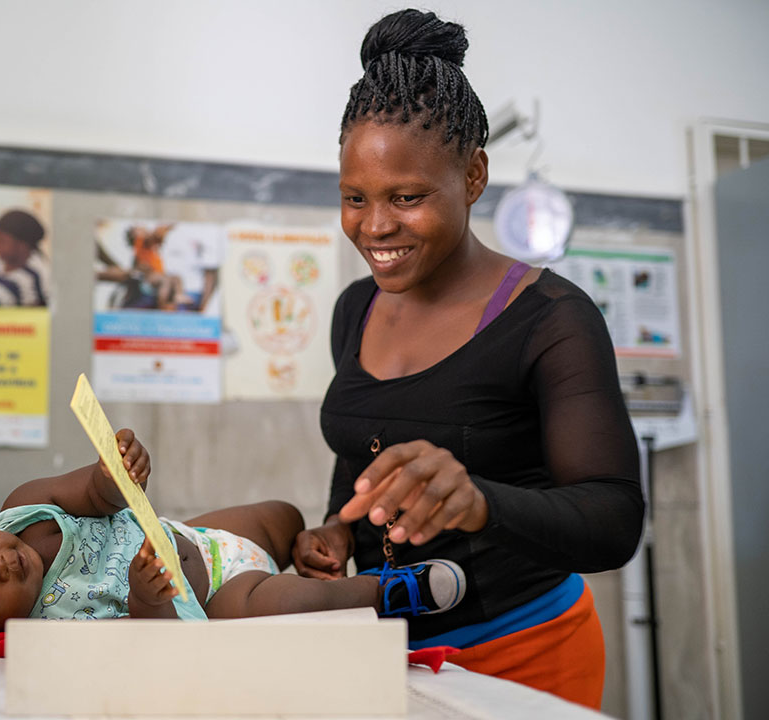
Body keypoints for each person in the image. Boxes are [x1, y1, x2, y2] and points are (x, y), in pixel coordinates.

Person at [289, 8, 643, 710]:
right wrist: (337, 526)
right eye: (354, 198)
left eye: (407, 197)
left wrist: (481, 502)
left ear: (474, 175)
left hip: (526, 648)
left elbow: (614, 518)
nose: (376, 225)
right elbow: (364, 448)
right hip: (390, 648)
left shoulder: (552, 320)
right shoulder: (355, 308)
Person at [0, 429, 466, 649]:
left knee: (280, 515)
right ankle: (386, 593)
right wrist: (148, 598)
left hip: (203, 534)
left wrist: (118, 470)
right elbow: (150, 640)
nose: (0, 567)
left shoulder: (22, 513)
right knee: (281, 604)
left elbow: (93, 493)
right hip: (214, 597)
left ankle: (312, 548)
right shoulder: (51, 632)